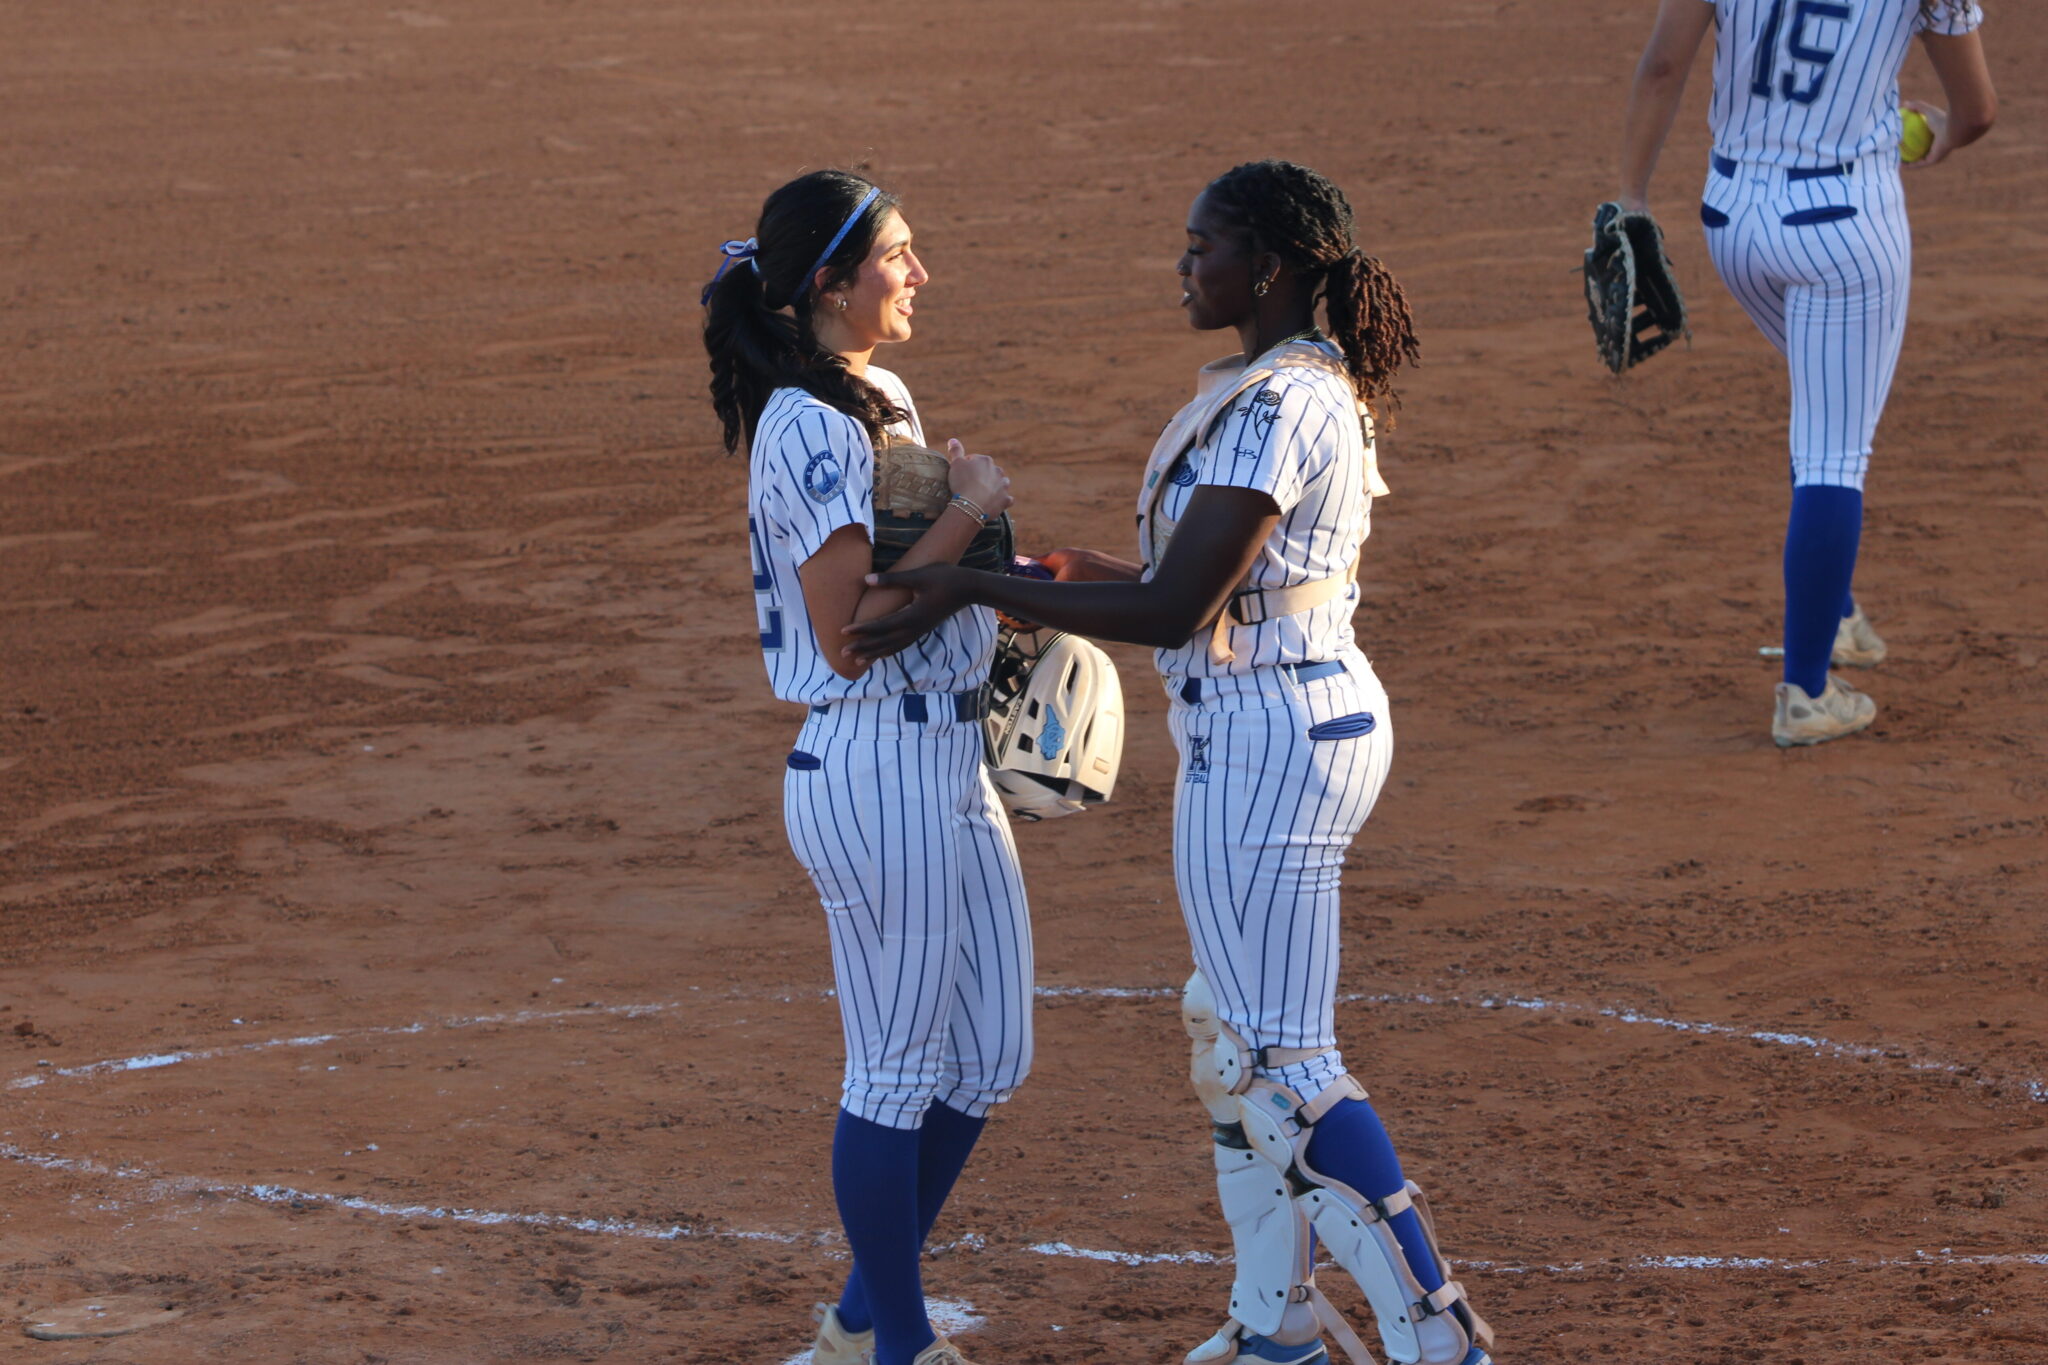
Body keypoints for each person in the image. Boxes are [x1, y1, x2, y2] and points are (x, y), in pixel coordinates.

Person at [847, 160, 1494, 1365]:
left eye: (1204, 246)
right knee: (1231, 1034)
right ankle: (1275, 1328)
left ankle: (1436, 1336)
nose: (1184, 266)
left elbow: (1174, 607)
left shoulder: (1280, 405)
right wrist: (1059, 574)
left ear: (1270, 263)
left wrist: (964, 586)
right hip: (1271, 719)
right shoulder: (1270, 387)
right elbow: (1192, 584)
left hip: (1269, 742)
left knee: (1278, 1059)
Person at [702, 168, 1033, 1365]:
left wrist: (1005, 592)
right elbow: (850, 633)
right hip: (873, 765)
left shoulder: (875, 393)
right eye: (898, 255)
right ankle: (896, 1344)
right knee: (893, 1072)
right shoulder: (805, 426)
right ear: (833, 284)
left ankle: (855, 1322)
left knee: (990, 1053)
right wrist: (969, 515)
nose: (919, 273)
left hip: (947, 757)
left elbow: (913, 582)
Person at [1617, 0, 1997, 746]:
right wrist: (1945, 135)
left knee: (1825, 405)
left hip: (1732, 221)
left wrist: (1630, 196)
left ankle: (1836, 612)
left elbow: (1662, 65)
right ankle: (1808, 694)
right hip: (1845, 229)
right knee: (1835, 453)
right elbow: (1977, 110)